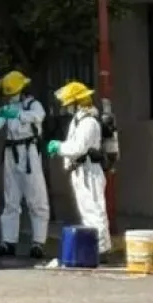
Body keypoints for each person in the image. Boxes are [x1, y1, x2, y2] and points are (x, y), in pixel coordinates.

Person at [0, 70, 50, 259]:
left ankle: (38, 243)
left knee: (36, 199)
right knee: (10, 200)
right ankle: (8, 242)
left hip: (29, 153)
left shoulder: (33, 105)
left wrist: (18, 114)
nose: (10, 97)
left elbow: (39, 116)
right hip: (11, 154)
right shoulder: (7, 107)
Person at [45, 80, 111, 257]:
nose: (66, 108)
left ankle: (102, 250)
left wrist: (59, 147)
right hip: (81, 170)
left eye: (69, 104)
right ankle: (96, 247)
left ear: (78, 103)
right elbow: (74, 145)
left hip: (89, 171)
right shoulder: (79, 120)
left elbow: (78, 148)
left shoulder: (88, 122)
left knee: (94, 210)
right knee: (87, 211)